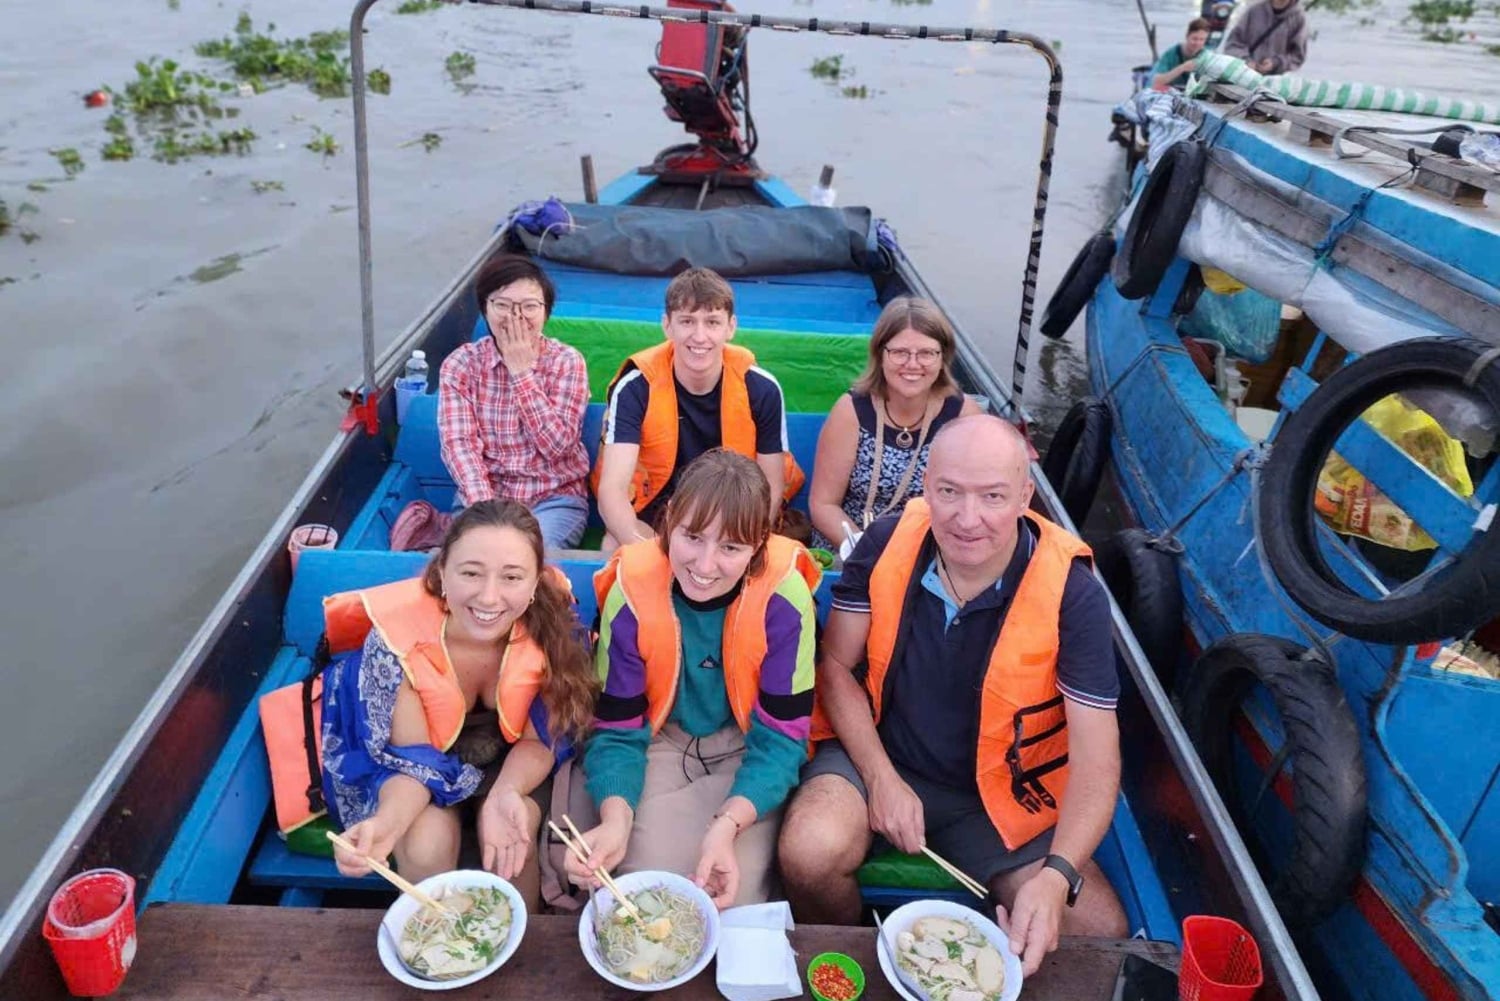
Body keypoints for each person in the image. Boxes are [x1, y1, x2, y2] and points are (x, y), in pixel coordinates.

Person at [778, 415, 1128, 973]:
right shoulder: (888, 539)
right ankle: (861, 964)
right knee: (808, 852)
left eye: (992, 496)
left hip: (999, 792)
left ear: (1025, 495)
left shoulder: (1074, 593)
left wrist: (1058, 875)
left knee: (1099, 934)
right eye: (948, 493)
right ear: (926, 488)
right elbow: (837, 668)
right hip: (881, 752)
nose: (968, 519)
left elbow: (1097, 759)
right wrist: (880, 779)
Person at [566, 450, 821, 909]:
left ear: (759, 546)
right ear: (667, 527)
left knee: (732, 898)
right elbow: (618, 731)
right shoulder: (631, 593)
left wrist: (727, 825)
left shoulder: (786, 600)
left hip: (747, 748)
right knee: (644, 893)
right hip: (660, 743)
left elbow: (782, 740)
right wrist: (616, 817)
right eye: (693, 537)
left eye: (731, 548)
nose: (705, 566)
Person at [324, 500, 597, 905]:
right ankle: (446, 946)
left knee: (512, 850)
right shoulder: (398, 645)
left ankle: (520, 944)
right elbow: (413, 764)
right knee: (422, 846)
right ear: (442, 573)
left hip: (513, 765)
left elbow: (540, 740)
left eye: (512, 577)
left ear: (535, 582)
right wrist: (385, 825)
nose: (489, 597)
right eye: (471, 573)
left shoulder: (555, 631)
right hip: (424, 774)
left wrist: (505, 792)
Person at [591, 267, 800, 550]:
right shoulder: (636, 387)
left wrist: (735, 543)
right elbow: (612, 491)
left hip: (733, 516)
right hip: (657, 517)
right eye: (687, 321)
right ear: (668, 326)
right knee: (613, 543)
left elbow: (771, 489)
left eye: (712, 322)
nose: (699, 336)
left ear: (731, 327)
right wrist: (652, 551)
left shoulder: (761, 388)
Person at [439, 253, 591, 549]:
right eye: (503, 305)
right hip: (483, 496)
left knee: (526, 559)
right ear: (485, 308)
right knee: (478, 556)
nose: (516, 317)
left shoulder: (567, 362)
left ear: (545, 312)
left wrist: (521, 373)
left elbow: (559, 447)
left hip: (553, 497)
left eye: (529, 306)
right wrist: (486, 512)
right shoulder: (461, 364)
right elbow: (460, 446)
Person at [807, 296, 980, 553]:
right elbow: (823, 505)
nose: (912, 364)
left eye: (926, 353)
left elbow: (973, 502)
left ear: (942, 357)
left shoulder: (963, 416)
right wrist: (865, 551)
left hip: (931, 547)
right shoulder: (851, 411)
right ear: (880, 354)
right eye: (900, 352)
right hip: (852, 544)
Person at [1223, 0, 1307, 76]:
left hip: (1272, 83)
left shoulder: (1299, 18)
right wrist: (1245, 60)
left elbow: (1297, 56)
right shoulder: (1254, 11)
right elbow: (1232, 43)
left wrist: (1275, 63)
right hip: (1242, 75)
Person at [1152, 18, 1212, 90]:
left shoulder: (1207, 56)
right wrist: (1182, 68)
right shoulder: (1171, 54)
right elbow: (1157, 81)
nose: (1197, 43)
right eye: (1194, 39)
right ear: (1187, 36)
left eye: (1201, 39)